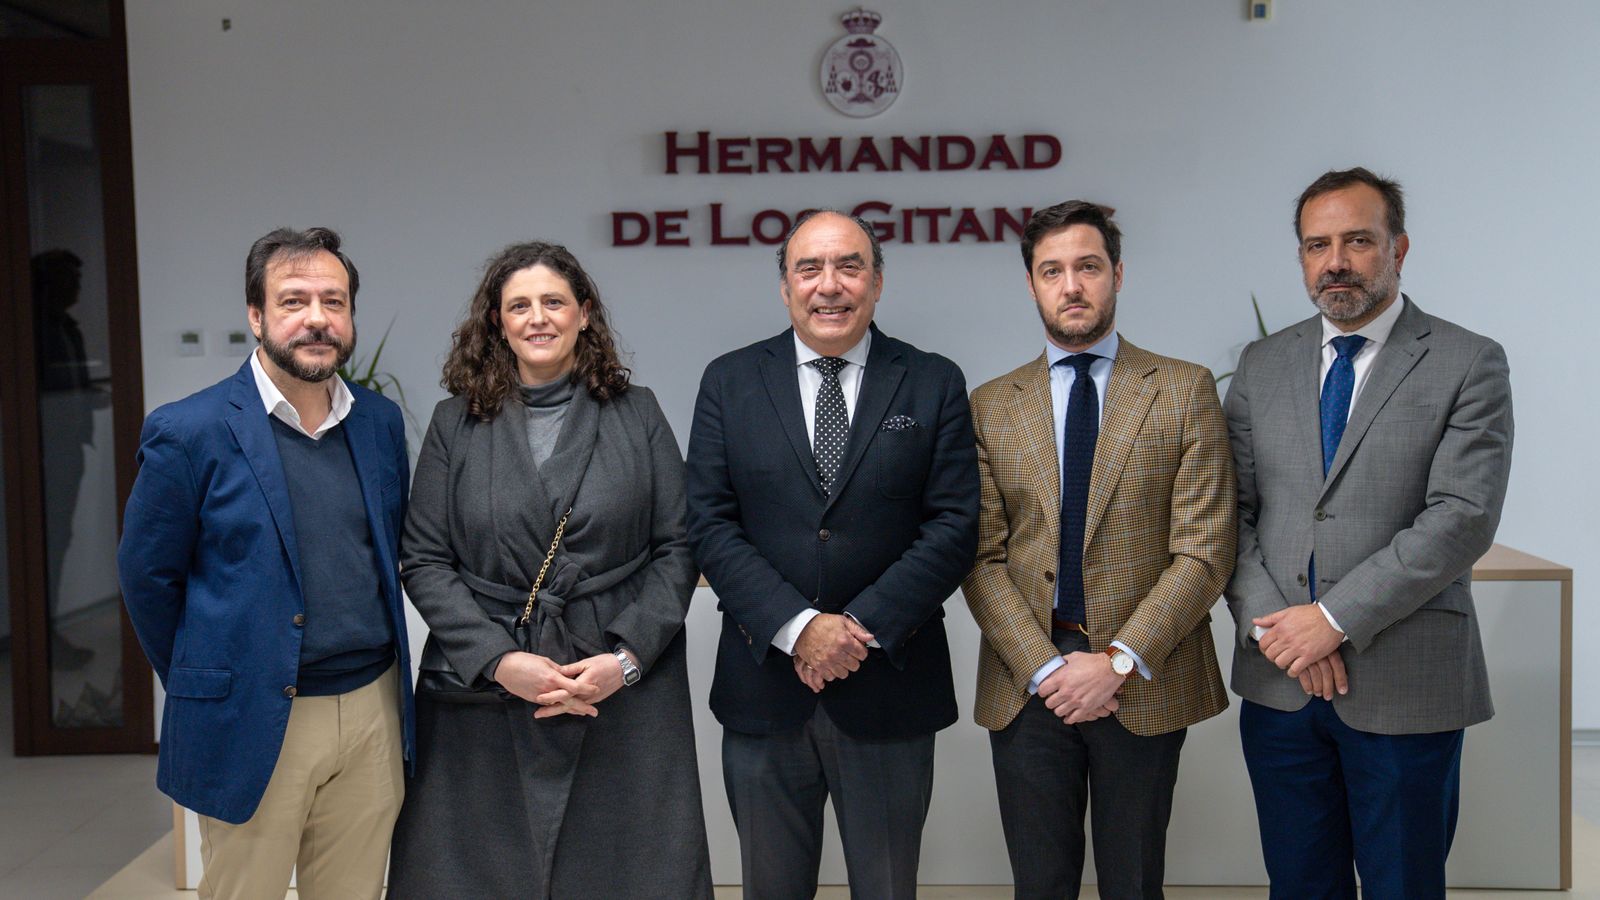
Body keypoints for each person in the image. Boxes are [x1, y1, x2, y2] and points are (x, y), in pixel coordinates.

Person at [387, 241, 711, 898]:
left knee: (627, 874)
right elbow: (423, 559)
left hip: (619, 684)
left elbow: (678, 548)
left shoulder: (638, 412)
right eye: (520, 305)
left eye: (554, 301)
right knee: (475, 874)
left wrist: (621, 662)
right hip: (485, 684)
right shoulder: (457, 424)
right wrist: (499, 659)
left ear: (584, 313)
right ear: (498, 322)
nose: (538, 317)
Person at [1224, 168, 1513, 899]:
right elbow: (1232, 513)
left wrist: (1332, 621)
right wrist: (1282, 635)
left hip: (1403, 683)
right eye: (1317, 245)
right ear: (1301, 258)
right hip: (1281, 684)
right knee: (1299, 886)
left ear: (1399, 247)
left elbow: (1462, 517)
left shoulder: (1467, 360)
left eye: (1358, 240)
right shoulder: (1263, 364)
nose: (1337, 262)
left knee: (1403, 886)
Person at [685, 209, 979, 900]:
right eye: (808, 268)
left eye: (849, 266)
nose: (829, 285)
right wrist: (799, 628)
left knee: (887, 887)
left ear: (877, 283)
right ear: (784, 287)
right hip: (764, 691)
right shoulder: (729, 381)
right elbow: (709, 523)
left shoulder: (932, 381)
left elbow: (954, 524)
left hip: (889, 686)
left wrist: (856, 629)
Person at [117, 227, 413, 899]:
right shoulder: (189, 431)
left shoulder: (378, 423)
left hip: (371, 711)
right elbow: (146, 579)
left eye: (333, 302)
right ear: (256, 316)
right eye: (294, 300)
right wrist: (213, 676)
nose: (317, 318)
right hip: (252, 715)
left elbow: (390, 549)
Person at [963, 200, 1237, 899]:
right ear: (1031, 284)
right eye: (1052, 271)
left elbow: (1204, 549)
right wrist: (1045, 668)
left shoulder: (1182, 389)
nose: (1072, 286)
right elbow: (980, 556)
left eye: (1088, 267)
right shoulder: (991, 404)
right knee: (1039, 885)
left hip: (1141, 681)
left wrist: (1116, 662)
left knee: (1134, 883)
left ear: (1118, 273)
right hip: (1030, 690)